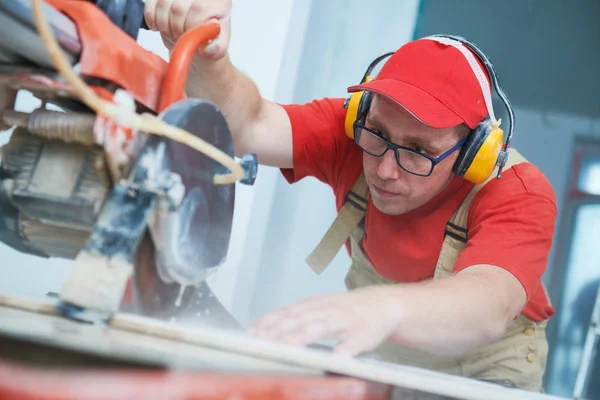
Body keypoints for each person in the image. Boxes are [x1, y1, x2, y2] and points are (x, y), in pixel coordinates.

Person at [143, 0, 558, 392]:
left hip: (486, 376)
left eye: (419, 151)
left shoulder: (517, 191)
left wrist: (377, 309)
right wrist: (208, 57)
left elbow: (489, 304)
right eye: (378, 134)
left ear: (473, 153)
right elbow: (249, 124)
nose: (384, 169)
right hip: (390, 358)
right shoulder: (354, 134)